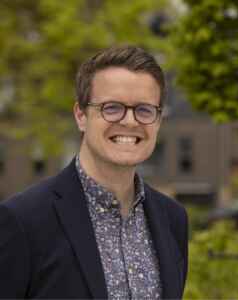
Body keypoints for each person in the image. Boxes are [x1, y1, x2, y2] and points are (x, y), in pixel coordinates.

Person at [0, 45, 188, 299]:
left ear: (158, 121)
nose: (130, 121)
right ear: (81, 115)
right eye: (112, 108)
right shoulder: (22, 221)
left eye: (144, 110)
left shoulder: (173, 219)